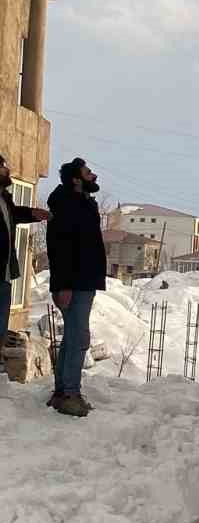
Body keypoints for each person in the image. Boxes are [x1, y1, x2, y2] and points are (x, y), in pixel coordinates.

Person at [46, 157, 107, 416]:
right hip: (75, 283)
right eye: (88, 172)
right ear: (76, 179)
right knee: (79, 338)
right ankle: (70, 394)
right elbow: (60, 248)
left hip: (82, 280)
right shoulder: (68, 205)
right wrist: (65, 285)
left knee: (72, 337)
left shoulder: (79, 202)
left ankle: (62, 392)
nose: (94, 175)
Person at [0, 152, 49, 343]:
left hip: (4, 275)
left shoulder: (4, 198)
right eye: (3, 166)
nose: (7, 170)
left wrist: (33, 214)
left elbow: (14, 215)